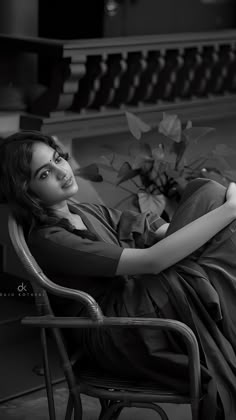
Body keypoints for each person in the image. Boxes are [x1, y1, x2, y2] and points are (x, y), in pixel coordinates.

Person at [1, 131, 236, 420]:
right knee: (211, 211)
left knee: (206, 194)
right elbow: (152, 260)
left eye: (58, 159)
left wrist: (212, 219)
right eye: (45, 172)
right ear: (27, 190)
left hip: (143, 301)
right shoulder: (50, 239)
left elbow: (156, 232)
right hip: (119, 330)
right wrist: (230, 209)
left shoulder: (85, 210)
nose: (62, 172)